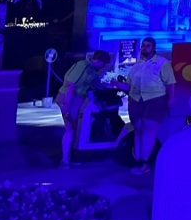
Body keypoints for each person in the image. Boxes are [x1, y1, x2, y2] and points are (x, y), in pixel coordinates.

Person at [110, 37, 175, 175]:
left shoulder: (162, 63)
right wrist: (116, 83)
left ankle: (144, 163)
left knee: (148, 130)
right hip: (135, 100)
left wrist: (171, 99)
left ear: (153, 48)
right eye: (143, 45)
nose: (145, 47)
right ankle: (138, 161)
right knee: (138, 130)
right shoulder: (136, 66)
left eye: (148, 45)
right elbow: (128, 86)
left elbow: (170, 83)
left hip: (155, 100)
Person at [55, 50, 112, 168]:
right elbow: (71, 86)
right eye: (104, 64)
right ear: (100, 61)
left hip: (78, 100)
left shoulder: (92, 70)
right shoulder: (83, 66)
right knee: (71, 129)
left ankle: (70, 157)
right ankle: (65, 160)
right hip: (71, 99)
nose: (104, 67)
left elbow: (94, 85)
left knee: (77, 129)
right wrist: (66, 105)